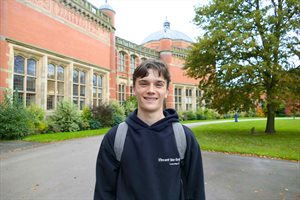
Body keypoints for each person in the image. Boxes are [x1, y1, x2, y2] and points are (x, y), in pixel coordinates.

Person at [94, 59, 206, 200]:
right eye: (144, 83)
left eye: (158, 84)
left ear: (166, 91)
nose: (151, 90)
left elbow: (196, 192)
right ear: (134, 89)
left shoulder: (184, 137)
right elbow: (104, 192)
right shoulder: (116, 137)